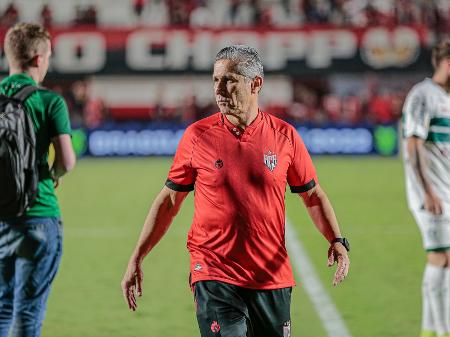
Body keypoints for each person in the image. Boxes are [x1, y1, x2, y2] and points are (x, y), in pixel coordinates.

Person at [121, 45, 350, 337]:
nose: (219, 89)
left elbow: (312, 195)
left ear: (256, 84)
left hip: (271, 277)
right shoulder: (197, 136)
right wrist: (137, 256)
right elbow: (169, 200)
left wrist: (337, 239)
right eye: (216, 80)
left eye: (230, 80)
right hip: (214, 273)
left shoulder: (285, 137)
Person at [0, 23, 75, 337]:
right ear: (38, 59)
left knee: (2, 310)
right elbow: (67, 162)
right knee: (27, 315)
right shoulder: (50, 101)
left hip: (2, 217)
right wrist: (53, 175)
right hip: (38, 213)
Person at [402, 40, 450, 337]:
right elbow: (413, 144)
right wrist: (427, 191)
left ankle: (430, 331)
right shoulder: (423, 95)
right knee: (441, 257)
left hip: (446, 191)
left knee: (444, 260)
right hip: (431, 194)